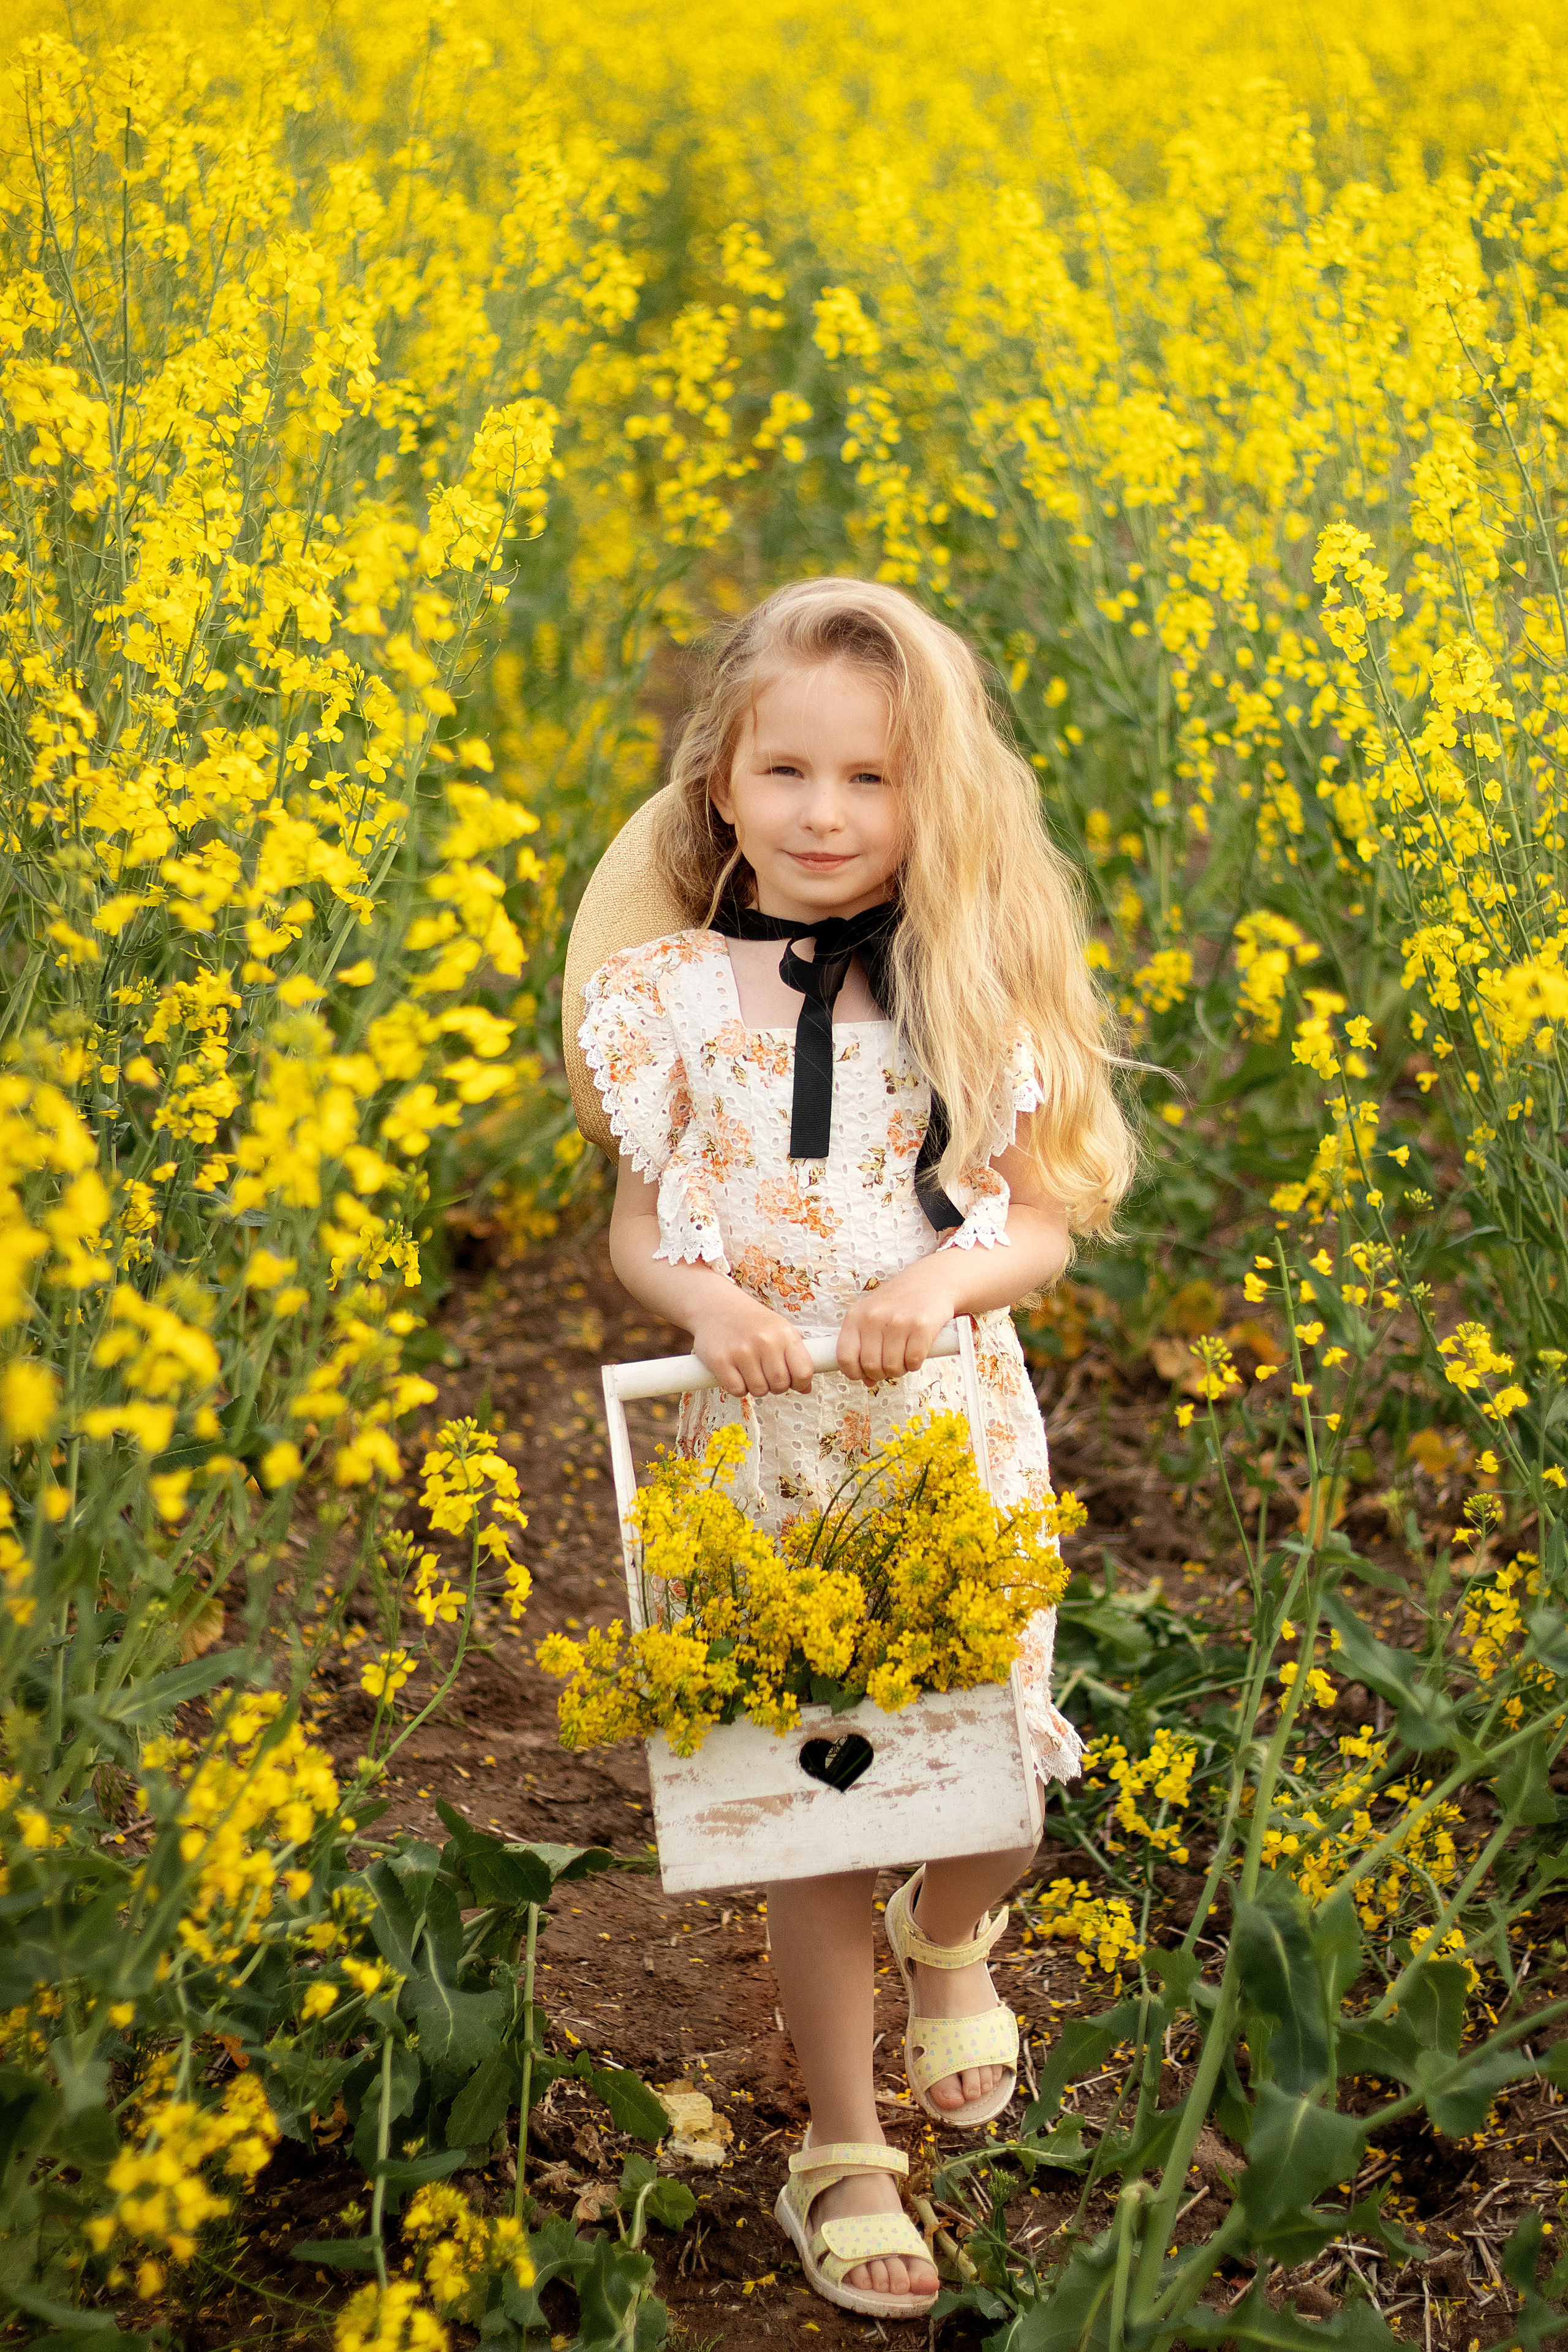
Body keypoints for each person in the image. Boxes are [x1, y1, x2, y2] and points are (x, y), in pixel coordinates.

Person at [578, 578, 1136, 2320]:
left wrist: (946, 1278)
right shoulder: (673, 999)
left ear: (932, 797)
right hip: (764, 1454)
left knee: (994, 1782)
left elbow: (1037, 1226)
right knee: (807, 1804)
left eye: (873, 781)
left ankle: (951, 1929)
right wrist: (704, 1304)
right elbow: (640, 1231)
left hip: (943, 1431)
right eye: (791, 771)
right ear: (723, 784)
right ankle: (845, 2142)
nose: (827, 815)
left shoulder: (970, 988)